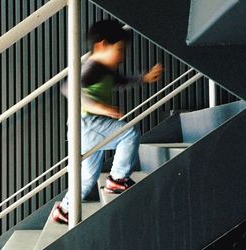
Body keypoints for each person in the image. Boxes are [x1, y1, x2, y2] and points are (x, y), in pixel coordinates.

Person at [52, 19, 163, 224]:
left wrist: (144, 78)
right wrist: (99, 107)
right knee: (129, 133)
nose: (122, 57)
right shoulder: (93, 67)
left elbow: (121, 81)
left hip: (84, 129)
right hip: (88, 123)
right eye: (119, 50)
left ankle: (65, 209)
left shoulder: (106, 70)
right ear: (101, 46)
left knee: (88, 178)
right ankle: (117, 178)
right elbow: (69, 88)